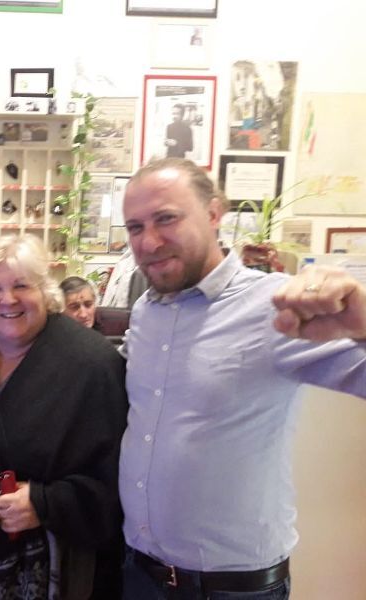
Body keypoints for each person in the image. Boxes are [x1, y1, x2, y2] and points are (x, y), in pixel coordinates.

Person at [119, 157, 366, 599]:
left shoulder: (275, 305)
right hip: (141, 574)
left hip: (231, 589)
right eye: (135, 227)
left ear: (214, 213)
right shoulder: (146, 311)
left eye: (166, 219)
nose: (149, 241)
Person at [0, 234, 128, 599]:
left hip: (49, 562)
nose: (8, 299)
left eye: (22, 285)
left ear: (45, 291)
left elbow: (116, 475)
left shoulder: (92, 364)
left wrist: (45, 502)